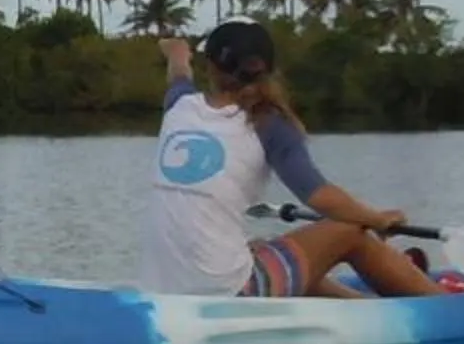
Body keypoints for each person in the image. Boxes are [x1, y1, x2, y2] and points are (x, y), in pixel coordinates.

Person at [139, 20, 436, 300]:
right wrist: (377, 219)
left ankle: (361, 305)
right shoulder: (267, 124)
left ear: (211, 67)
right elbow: (322, 197)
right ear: (267, 70)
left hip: (164, 291)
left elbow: (179, 73)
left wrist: (176, 52)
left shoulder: (179, 106)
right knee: (349, 230)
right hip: (232, 294)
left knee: (261, 250)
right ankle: (445, 305)